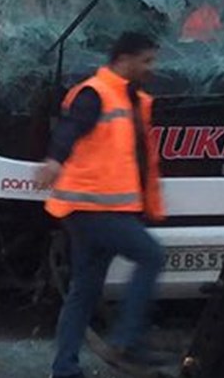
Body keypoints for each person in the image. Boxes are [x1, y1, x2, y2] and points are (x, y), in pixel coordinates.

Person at [37, 32, 167, 378]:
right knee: (152, 256)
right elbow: (70, 129)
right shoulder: (96, 94)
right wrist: (54, 160)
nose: (150, 68)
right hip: (93, 209)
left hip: (98, 210)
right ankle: (127, 340)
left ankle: (64, 368)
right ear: (124, 59)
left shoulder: (128, 98)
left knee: (85, 289)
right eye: (146, 61)